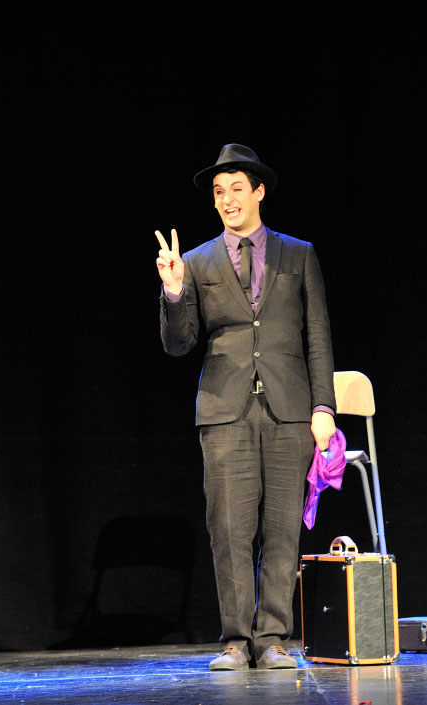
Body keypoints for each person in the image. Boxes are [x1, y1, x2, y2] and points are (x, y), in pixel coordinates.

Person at [154, 143, 337, 670]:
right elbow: (179, 343)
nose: (227, 199)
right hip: (224, 411)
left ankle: (273, 638)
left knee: (282, 527)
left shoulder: (298, 254)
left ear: (258, 192)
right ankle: (236, 640)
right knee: (230, 528)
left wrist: (323, 407)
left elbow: (317, 335)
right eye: (219, 192)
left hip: (289, 409)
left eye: (237, 188)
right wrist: (173, 292)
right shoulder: (196, 261)